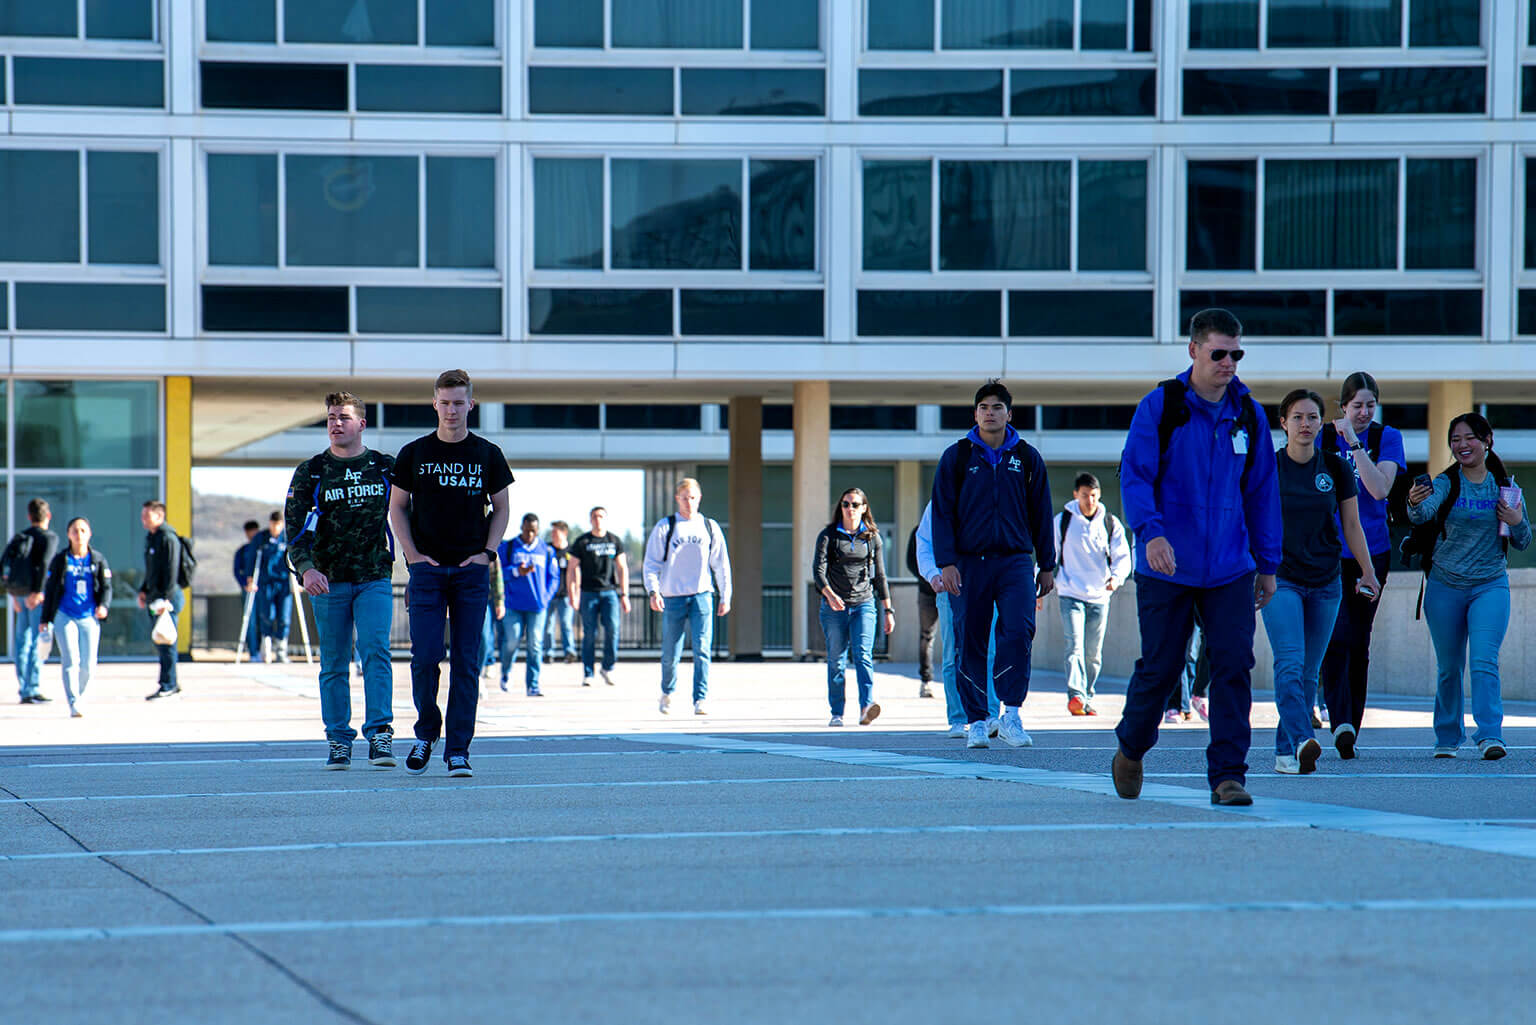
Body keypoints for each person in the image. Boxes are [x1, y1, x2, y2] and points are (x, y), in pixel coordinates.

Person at [1110, 309, 1282, 807]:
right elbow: (1135, 476)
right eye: (1219, 353)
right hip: (1166, 565)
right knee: (1162, 669)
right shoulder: (1161, 406)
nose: (1229, 363)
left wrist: (1267, 564)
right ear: (1194, 350)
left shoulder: (1247, 413)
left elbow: (1262, 492)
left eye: (1236, 354)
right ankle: (1132, 746)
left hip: (1231, 567)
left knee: (1233, 664)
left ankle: (1228, 776)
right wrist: (1151, 533)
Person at [389, 369, 513, 778]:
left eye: (459, 402)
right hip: (426, 571)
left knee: (466, 661)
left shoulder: (488, 454)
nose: (452, 410)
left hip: (470, 573)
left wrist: (487, 553)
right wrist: (413, 555)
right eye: (445, 402)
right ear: (435, 404)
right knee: (424, 657)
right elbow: (397, 508)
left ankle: (458, 749)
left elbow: (502, 507)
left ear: (470, 405)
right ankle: (427, 732)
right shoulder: (413, 453)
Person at [930, 379, 1056, 750]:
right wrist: (946, 563)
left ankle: (1011, 712)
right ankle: (976, 720)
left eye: (997, 407)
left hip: (1016, 561)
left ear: (1009, 414)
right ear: (975, 414)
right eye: (984, 407)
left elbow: (1042, 513)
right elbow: (942, 513)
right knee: (969, 640)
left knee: (1018, 632)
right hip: (969, 564)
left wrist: (1046, 564)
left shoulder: (1027, 457)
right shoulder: (958, 456)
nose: (990, 413)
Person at [1262, 389, 1380, 775]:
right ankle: (1301, 738)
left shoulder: (1336, 467)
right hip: (1281, 580)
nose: (1305, 424)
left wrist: (1367, 570)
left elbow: (1351, 524)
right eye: (1297, 417)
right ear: (1283, 423)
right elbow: (1252, 522)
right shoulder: (1268, 467)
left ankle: (1287, 754)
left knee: (1309, 673)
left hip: (1327, 581)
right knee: (1290, 664)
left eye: (1312, 417)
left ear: (1321, 423)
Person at [1406, 412, 1531, 760]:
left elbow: (1522, 540)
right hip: (1445, 585)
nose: (1462, 445)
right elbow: (1423, 513)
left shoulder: (1506, 486)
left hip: (1490, 585)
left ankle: (1490, 735)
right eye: (1455, 440)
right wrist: (1414, 503)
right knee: (1449, 667)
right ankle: (1447, 737)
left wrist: (1517, 520)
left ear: (1487, 440)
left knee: (1483, 660)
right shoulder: (1447, 482)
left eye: (1469, 438)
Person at [286, 391, 397, 771]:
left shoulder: (385, 468)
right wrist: (306, 569)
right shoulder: (312, 471)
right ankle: (338, 740)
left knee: (376, 652)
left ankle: (380, 733)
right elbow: (294, 531)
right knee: (333, 663)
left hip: (374, 577)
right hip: (327, 583)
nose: (336, 423)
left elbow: (413, 515)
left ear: (361, 424)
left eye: (344, 417)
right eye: (331, 417)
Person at [1318, 372, 1405, 756]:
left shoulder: (1387, 438)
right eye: (1357, 407)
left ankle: (1352, 718)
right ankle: (1340, 721)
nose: (1365, 412)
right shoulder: (1321, 438)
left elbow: (1378, 488)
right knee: (1334, 635)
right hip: (1327, 551)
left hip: (1373, 553)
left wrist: (1354, 443)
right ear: (1343, 407)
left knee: (1358, 638)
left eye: (1371, 405)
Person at [642, 478, 731, 715]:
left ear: (699, 498)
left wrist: (725, 595)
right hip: (673, 597)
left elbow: (721, 564)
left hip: (702, 595)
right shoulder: (666, 526)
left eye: (693, 497)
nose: (689, 502)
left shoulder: (709, 526)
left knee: (703, 649)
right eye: (684, 498)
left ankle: (700, 698)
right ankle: (667, 692)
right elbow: (651, 563)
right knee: (671, 651)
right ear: (677, 499)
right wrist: (653, 591)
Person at [915, 501, 998, 738]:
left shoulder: (988, 491)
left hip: (986, 585)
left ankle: (990, 715)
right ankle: (958, 719)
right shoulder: (938, 503)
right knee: (953, 655)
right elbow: (923, 542)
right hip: (950, 588)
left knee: (989, 653)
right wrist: (933, 575)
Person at [814, 488, 895, 727]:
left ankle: (866, 707)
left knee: (863, 655)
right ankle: (837, 712)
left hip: (864, 604)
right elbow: (818, 572)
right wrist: (830, 595)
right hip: (834, 608)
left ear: (864, 508)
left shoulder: (872, 538)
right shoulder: (828, 535)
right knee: (836, 661)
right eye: (846, 504)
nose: (850, 509)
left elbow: (880, 576)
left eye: (855, 504)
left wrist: (888, 610)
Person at [1053, 472, 1131, 717]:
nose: (1090, 500)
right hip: (1069, 592)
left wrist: (1116, 578)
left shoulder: (1110, 522)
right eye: (1085, 495)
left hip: (1099, 595)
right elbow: (1048, 556)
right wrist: (1037, 588)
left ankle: (1086, 696)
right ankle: (1075, 694)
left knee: (1093, 653)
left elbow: (1122, 556)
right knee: (1073, 645)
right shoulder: (1062, 521)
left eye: (1094, 496)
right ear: (1076, 494)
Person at [39, 516, 109, 717]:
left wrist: (103, 606)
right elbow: (51, 589)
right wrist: (45, 620)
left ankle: (81, 695)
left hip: (89, 616)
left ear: (89, 534)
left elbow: (106, 587)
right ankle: (73, 702)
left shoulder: (97, 559)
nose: (79, 535)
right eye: (74, 531)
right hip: (65, 615)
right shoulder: (61, 560)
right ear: (68, 534)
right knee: (71, 659)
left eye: (83, 530)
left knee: (88, 663)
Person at [498, 513, 561, 696]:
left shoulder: (547, 550)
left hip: (537, 606)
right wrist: (517, 571)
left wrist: (545, 597)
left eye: (533, 531)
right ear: (521, 528)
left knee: (535, 644)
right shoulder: (509, 547)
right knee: (512, 641)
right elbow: (498, 573)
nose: (530, 535)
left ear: (538, 530)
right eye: (527, 531)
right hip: (513, 605)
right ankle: (506, 672)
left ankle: (533, 684)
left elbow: (554, 577)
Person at [568, 506, 631, 687]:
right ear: (590, 520)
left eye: (601, 516)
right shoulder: (583, 541)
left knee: (613, 630)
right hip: (588, 593)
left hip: (609, 592)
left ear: (606, 519)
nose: (598, 519)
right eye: (595, 516)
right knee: (589, 634)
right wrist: (573, 593)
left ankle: (608, 667)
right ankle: (588, 673)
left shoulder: (613, 540)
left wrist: (624, 594)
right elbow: (572, 568)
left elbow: (622, 568)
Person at [7, 498, 58, 704]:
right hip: (37, 595)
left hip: (19, 593)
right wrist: (37, 591)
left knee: (22, 642)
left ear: (29, 516)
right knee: (40, 641)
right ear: (48, 516)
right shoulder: (49, 537)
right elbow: (45, 563)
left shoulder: (21, 537)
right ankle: (32, 688)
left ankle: (23, 687)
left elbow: (6, 566)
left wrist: (12, 594)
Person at [137, 500, 186, 700]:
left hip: (167, 600)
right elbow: (152, 571)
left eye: (147, 515)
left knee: (167, 643)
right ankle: (171, 681)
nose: (143, 519)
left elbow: (171, 571)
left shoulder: (168, 538)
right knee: (161, 642)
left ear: (159, 516)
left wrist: (165, 599)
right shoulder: (152, 538)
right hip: (154, 598)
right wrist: (143, 590)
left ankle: (168, 685)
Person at [255, 511, 292, 663]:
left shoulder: (287, 537)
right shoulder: (262, 538)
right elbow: (252, 557)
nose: (275, 527)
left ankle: (281, 650)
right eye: (273, 524)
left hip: (283, 583)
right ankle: (267, 648)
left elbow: (295, 557)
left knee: (284, 618)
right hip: (266, 583)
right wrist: (251, 578)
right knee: (267, 615)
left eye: (278, 524)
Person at [905, 524, 936, 698]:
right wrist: (928, 578)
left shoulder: (953, 525)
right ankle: (927, 681)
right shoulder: (919, 531)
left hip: (951, 591)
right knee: (926, 636)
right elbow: (911, 561)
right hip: (927, 592)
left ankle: (958, 681)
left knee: (957, 636)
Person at [544, 520, 577, 664]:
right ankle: (548, 653)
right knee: (548, 625)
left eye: (555, 532)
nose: (553, 535)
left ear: (564, 533)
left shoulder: (572, 552)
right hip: (549, 595)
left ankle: (569, 652)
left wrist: (575, 594)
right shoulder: (547, 550)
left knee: (566, 624)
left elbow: (576, 574)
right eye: (552, 532)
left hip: (565, 595)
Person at [232, 519, 264, 661]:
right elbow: (237, 570)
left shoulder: (264, 548)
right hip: (249, 590)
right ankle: (253, 652)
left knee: (264, 619)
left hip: (264, 589)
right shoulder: (243, 550)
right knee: (250, 621)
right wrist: (245, 584)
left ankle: (264, 649)